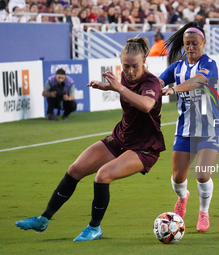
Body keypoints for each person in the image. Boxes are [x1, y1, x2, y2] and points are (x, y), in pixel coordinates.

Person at [15, 37, 166, 242]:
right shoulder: (125, 77)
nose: (130, 71)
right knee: (75, 169)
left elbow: (147, 104)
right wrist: (107, 87)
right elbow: (127, 89)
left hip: (144, 147)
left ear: (145, 62)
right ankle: (43, 219)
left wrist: (119, 88)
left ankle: (94, 228)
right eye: (126, 66)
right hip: (121, 138)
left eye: (135, 67)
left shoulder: (151, 83)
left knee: (103, 175)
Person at [159, 22, 219, 232]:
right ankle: (183, 197)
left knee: (202, 174)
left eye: (195, 43)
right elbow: (157, 82)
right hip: (185, 128)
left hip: (209, 127)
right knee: (178, 178)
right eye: (187, 44)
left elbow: (198, 81)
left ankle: (203, 212)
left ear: (203, 42)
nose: (190, 47)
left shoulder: (209, 63)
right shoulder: (176, 67)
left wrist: (174, 89)